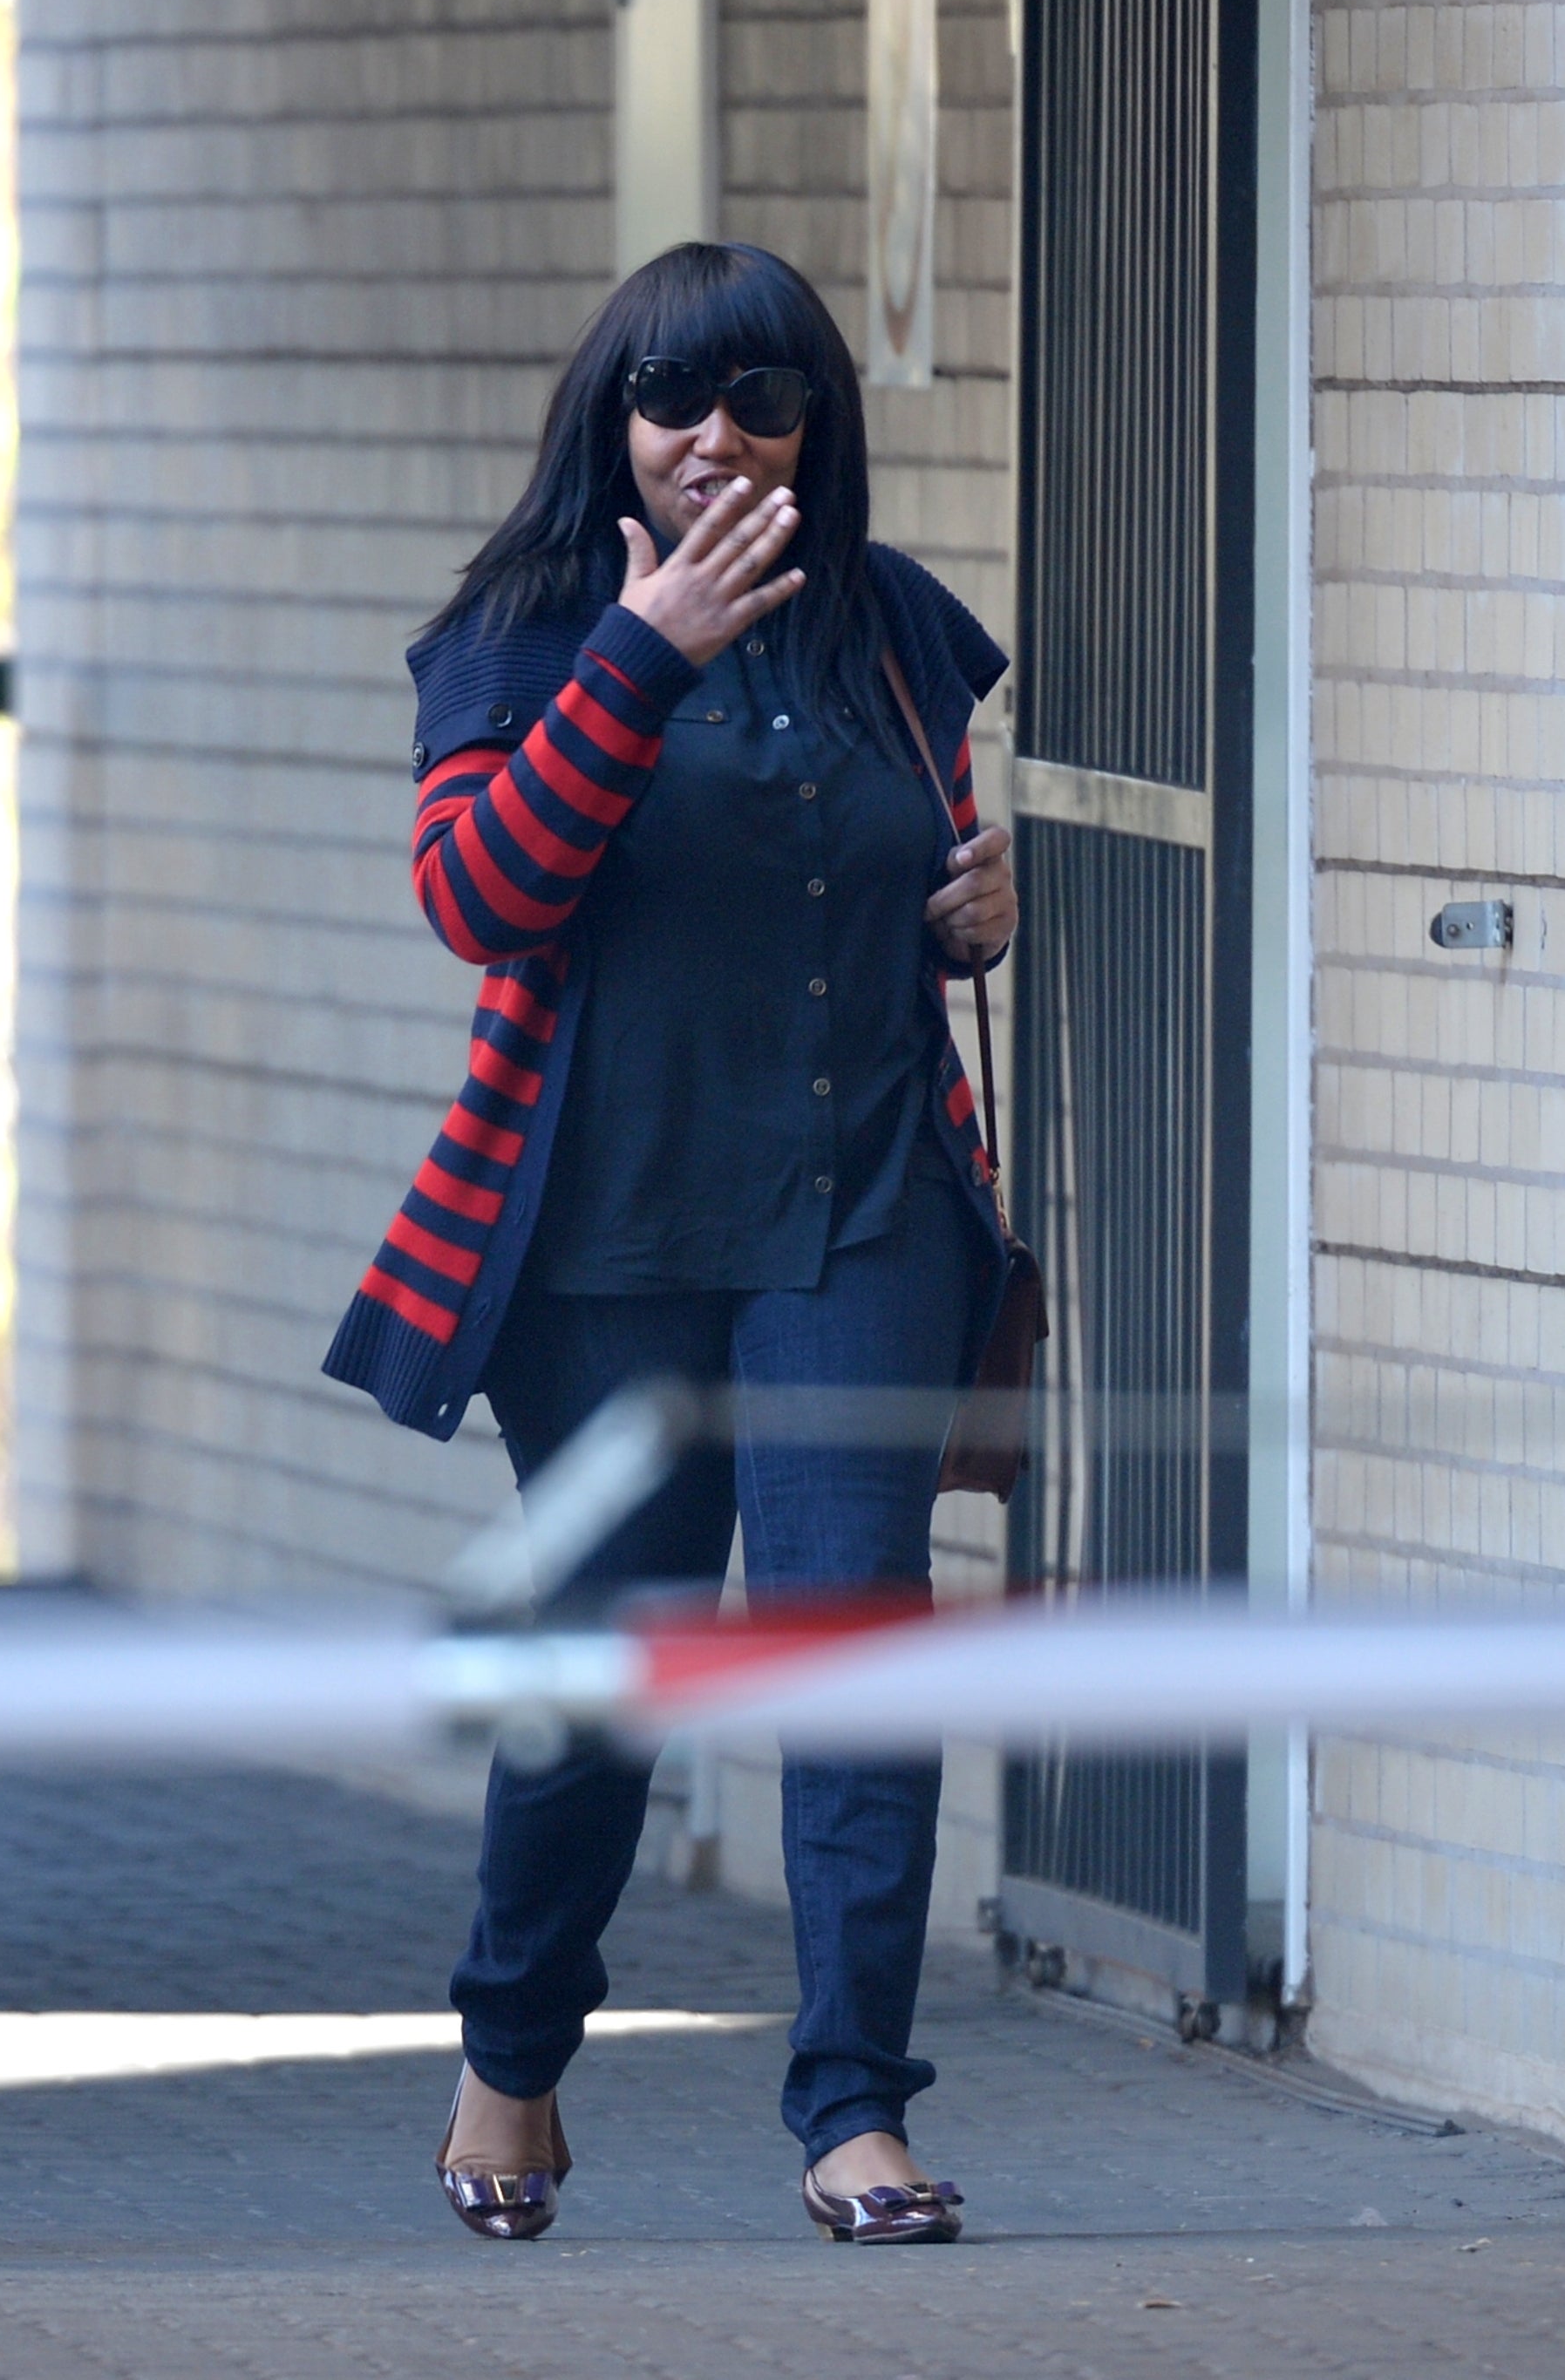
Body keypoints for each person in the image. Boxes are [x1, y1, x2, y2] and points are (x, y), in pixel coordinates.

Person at [319, 242, 1019, 2247]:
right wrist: (644, 650)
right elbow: (484, 899)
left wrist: (968, 909)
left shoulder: (894, 629)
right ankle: (513, 2050)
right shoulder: (525, 630)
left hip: (860, 1217)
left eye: (765, 401)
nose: (719, 437)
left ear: (821, 424)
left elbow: (910, 868)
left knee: (854, 1653)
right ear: (611, 418)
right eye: (676, 398)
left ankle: (855, 2112)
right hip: (608, 1249)